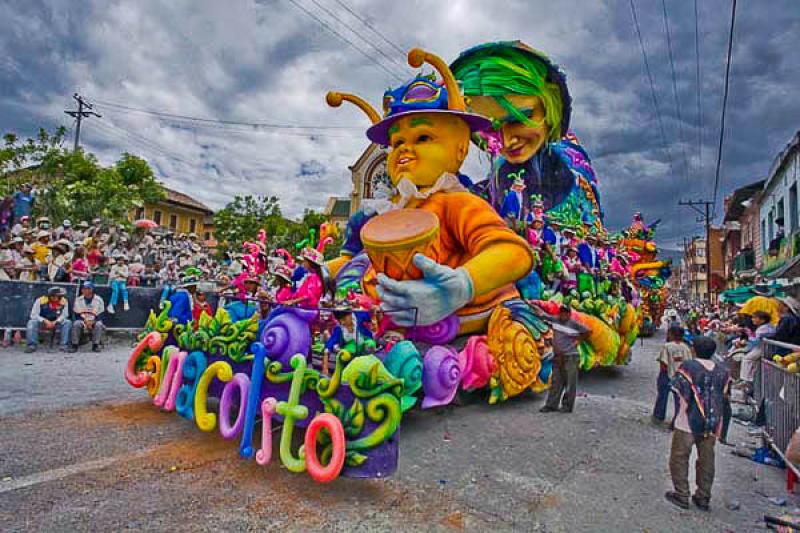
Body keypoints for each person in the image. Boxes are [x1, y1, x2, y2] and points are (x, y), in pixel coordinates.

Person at [666, 336, 731, 511]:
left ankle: (682, 494)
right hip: (712, 422)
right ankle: (703, 496)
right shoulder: (723, 371)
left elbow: (678, 391)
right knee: (707, 460)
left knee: (679, 457)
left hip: (687, 420)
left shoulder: (688, 367)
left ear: (693, 349)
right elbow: (724, 396)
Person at [539, 304, 590, 413]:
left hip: (570, 356)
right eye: (561, 312)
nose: (563, 315)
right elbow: (542, 315)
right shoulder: (555, 320)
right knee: (556, 381)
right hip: (558, 357)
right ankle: (551, 405)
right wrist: (530, 304)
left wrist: (578, 341)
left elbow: (588, 331)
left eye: (565, 313)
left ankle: (567, 406)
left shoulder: (574, 324)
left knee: (570, 383)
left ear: (569, 314)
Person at [652, 325, 692, 426]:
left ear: (671, 334)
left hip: (667, 374)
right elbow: (689, 363)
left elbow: (663, 363)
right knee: (678, 400)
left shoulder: (667, 346)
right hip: (681, 377)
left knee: (662, 396)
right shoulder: (686, 348)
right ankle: (677, 420)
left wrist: (663, 374)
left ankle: (658, 416)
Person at [25, 286, 72, 353]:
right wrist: (45, 321)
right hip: (43, 322)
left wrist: (56, 321)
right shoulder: (40, 300)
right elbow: (33, 314)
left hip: (57, 322)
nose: (60, 297)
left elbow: (65, 315)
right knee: (31, 322)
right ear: (51, 296)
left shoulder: (64, 301)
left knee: (67, 322)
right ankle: (32, 345)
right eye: (58, 295)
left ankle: (64, 345)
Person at [735, 310, 775, 386]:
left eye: (755, 317)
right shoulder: (768, 326)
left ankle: (745, 380)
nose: (752, 319)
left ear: (762, 320)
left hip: (762, 348)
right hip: (764, 348)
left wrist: (749, 334)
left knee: (747, 358)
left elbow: (755, 341)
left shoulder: (763, 328)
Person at [70, 281, 105, 352]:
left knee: (99, 324)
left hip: (94, 320)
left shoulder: (99, 299)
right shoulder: (78, 299)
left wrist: (92, 321)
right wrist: (86, 322)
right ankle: (74, 345)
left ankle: (95, 345)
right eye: (84, 288)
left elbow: (101, 314)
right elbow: (77, 314)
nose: (85, 290)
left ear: (92, 290)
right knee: (76, 323)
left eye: (88, 288)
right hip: (83, 320)